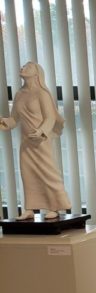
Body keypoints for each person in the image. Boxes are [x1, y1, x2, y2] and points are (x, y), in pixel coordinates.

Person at [0, 61, 70, 221]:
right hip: (26, 143)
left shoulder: (42, 94)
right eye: (23, 66)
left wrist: (41, 132)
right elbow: (14, 119)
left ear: (36, 73)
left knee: (48, 173)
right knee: (27, 174)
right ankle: (29, 208)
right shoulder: (19, 94)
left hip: (41, 142)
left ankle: (55, 206)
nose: (22, 68)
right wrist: (3, 121)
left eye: (27, 66)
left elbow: (50, 117)